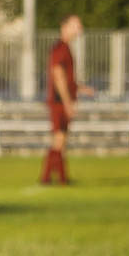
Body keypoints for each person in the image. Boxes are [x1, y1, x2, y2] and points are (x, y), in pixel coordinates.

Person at [40, 15, 93, 185]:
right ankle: (49, 178)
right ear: (65, 27)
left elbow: (67, 79)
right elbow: (58, 75)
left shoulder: (66, 48)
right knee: (59, 139)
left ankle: (59, 178)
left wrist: (80, 88)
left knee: (60, 140)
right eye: (76, 25)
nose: (80, 29)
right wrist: (68, 102)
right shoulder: (60, 49)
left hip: (61, 100)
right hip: (59, 101)